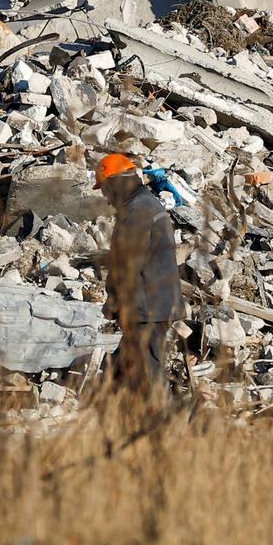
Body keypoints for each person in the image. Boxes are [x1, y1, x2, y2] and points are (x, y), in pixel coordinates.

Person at [94, 152, 185, 397]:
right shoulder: (144, 205)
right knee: (120, 368)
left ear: (115, 184)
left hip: (148, 307)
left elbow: (127, 262)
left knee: (149, 372)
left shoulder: (138, 210)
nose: (106, 198)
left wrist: (114, 301)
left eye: (104, 189)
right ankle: (104, 417)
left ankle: (166, 425)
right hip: (150, 305)